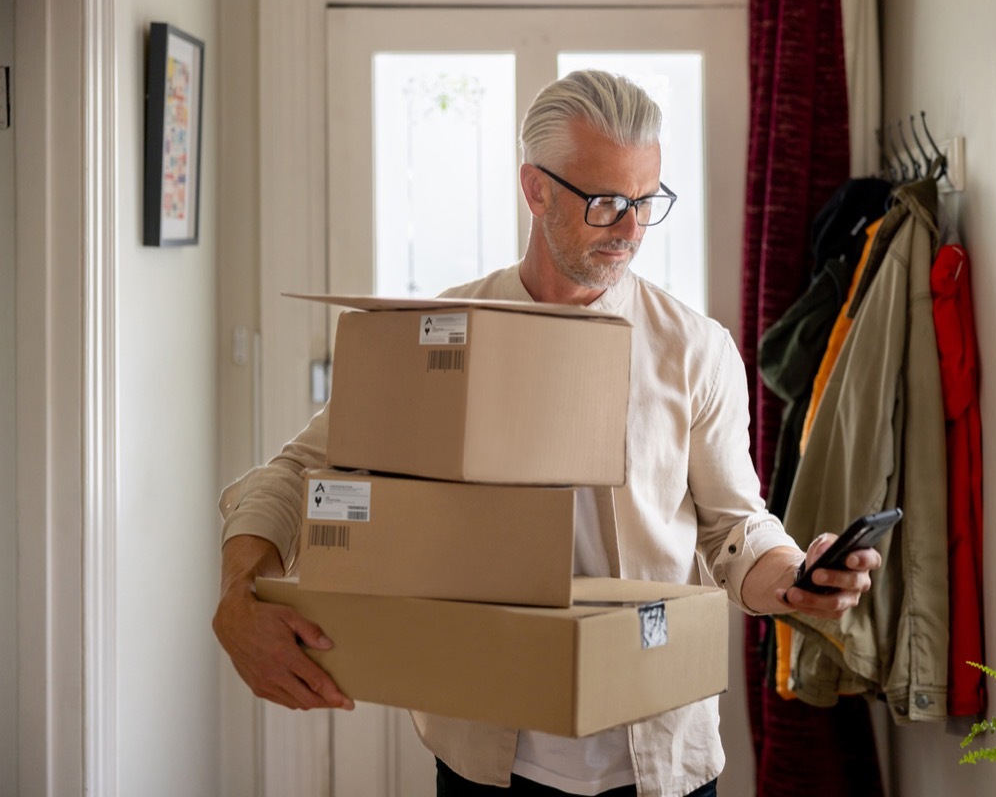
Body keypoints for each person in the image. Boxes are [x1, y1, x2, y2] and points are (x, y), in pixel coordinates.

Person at [213, 69, 881, 797]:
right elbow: (294, 474)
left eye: (647, 201)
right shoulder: (443, 339)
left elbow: (733, 529)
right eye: (605, 203)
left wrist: (794, 579)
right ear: (534, 190)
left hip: (659, 759)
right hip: (489, 759)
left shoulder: (695, 348)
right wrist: (240, 593)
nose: (631, 229)